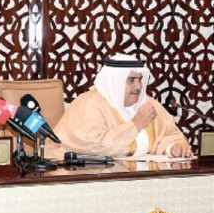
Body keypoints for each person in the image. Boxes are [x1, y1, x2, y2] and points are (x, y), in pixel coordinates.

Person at [47, 54, 193, 159]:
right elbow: (98, 147)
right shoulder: (90, 104)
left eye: (140, 80)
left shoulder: (148, 104)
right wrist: (136, 124)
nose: (138, 87)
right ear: (114, 82)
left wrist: (173, 147)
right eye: (131, 80)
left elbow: (169, 134)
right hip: (80, 176)